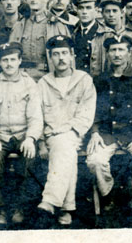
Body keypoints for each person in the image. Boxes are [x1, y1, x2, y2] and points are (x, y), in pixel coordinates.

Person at [86, 35, 132, 227]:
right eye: (113, 50)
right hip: (107, 134)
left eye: (121, 50)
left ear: (129, 52)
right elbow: (92, 109)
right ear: (107, 53)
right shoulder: (100, 80)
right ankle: (109, 195)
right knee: (95, 161)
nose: (117, 54)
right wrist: (94, 131)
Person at [37, 35, 96, 226]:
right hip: (51, 135)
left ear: (72, 55)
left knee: (64, 144)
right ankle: (66, 208)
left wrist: (67, 129)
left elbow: (86, 115)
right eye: (56, 54)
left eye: (64, 53)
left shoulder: (84, 80)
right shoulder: (43, 83)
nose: (61, 58)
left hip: (76, 133)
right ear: (50, 58)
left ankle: (50, 200)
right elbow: (37, 115)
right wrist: (41, 141)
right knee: (66, 150)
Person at [0, 42, 43, 225]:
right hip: (1, 136)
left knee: (29, 157)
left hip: (23, 134)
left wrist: (31, 138)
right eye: (5, 60)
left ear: (19, 61)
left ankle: (21, 207)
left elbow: (35, 116)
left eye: (12, 59)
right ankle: (0, 208)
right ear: (0, 63)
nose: (9, 64)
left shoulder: (30, 84)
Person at [9, 0, 72, 81]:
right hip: (22, 78)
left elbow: (67, 59)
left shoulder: (57, 25)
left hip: (47, 78)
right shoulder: (19, 25)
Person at [72, 0, 112, 77]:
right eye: (81, 8)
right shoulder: (72, 32)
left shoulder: (107, 34)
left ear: (96, 10)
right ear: (77, 10)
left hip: (98, 81)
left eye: (88, 8)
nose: (84, 12)